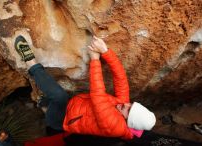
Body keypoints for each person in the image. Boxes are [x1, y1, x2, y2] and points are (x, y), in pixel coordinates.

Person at [15, 35, 156, 141]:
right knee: (58, 99)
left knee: (59, 96)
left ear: (128, 120)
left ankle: (30, 62)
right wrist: (106, 52)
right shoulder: (123, 106)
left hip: (62, 119)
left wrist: (95, 59)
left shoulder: (115, 127)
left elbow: (98, 96)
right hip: (75, 105)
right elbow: (121, 79)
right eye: (131, 104)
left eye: (128, 109)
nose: (125, 104)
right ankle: (43, 102)